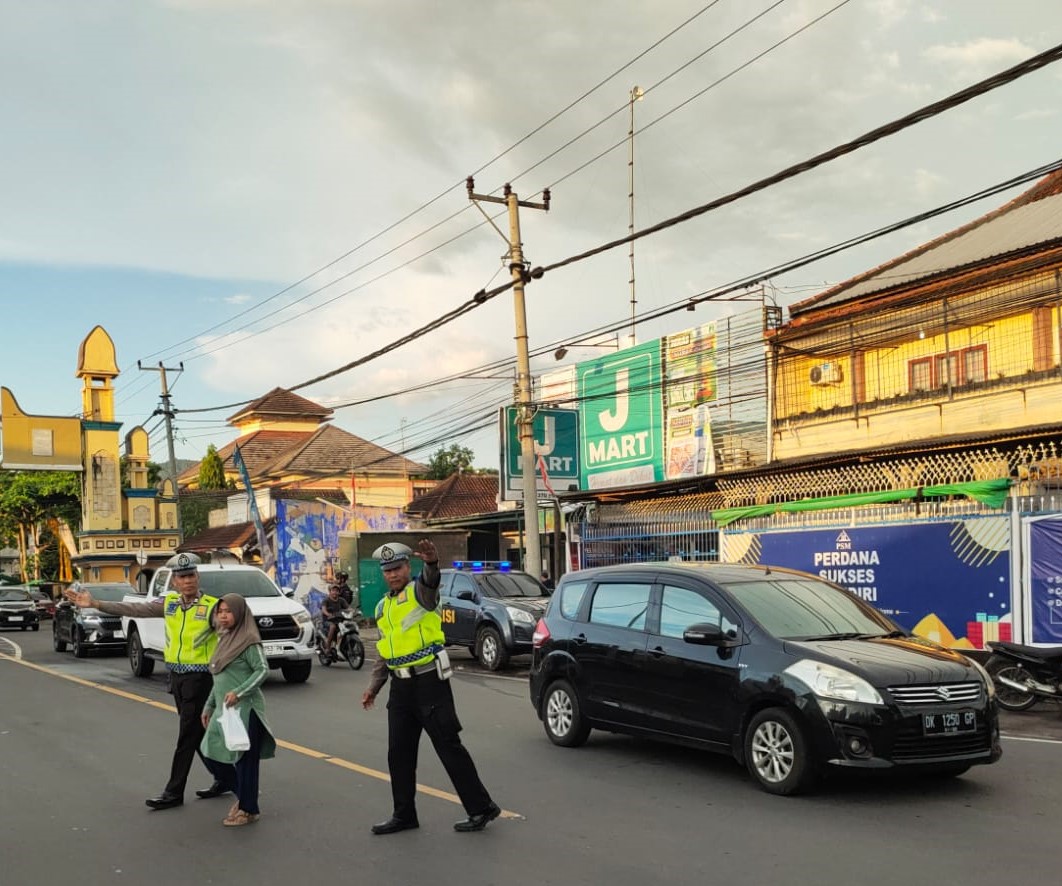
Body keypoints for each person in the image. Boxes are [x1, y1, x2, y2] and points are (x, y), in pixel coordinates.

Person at [64, 552, 225, 810]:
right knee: (198, 733)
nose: (187, 581)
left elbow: (229, 632)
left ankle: (174, 792)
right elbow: (134, 609)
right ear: (174, 582)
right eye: (182, 577)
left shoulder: (212, 606)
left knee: (186, 736)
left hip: (201, 678)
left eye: (191, 576)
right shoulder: (170, 603)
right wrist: (95, 603)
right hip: (176, 677)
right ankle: (226, 777)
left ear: (197, 577)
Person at [361, 539, 501, 835]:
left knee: (448, 747)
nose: (392, 575)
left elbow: (430, 581)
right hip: (400, 689)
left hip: (429, 683)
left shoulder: (421, 593)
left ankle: (481, 808)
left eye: (397, 568)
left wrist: (432, 563)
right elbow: (384, 651)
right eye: (387, 571)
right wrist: (374, 687)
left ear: (407, 567)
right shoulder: (382, 606)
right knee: (398, 754)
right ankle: (404, 815)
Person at [198, 594, 276, 827]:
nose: (223, 615)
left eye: (228, 611)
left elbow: (262, 670)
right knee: (209, 751)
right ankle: (245, 794)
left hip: (245, 709)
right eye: (220, 611)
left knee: (244, 760)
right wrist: (210, 704)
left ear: (240, 613)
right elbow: (219, 677)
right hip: (225, 709)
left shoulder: (248, 639)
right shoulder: (225, 638)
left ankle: (248, 808)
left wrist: (240, 692)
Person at [319, 582, 352, 657]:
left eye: (337, 591)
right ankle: (327, 648)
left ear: (339, 592)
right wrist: (328, 614)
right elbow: (323, 609)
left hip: (339, 621)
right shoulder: (326, 600)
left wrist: (353, 611)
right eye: (333, 590)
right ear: (330, 591)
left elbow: (348, 608)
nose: (335, 592)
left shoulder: (341, 600)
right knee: (333, 626)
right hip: (328, 621)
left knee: (350, 625)